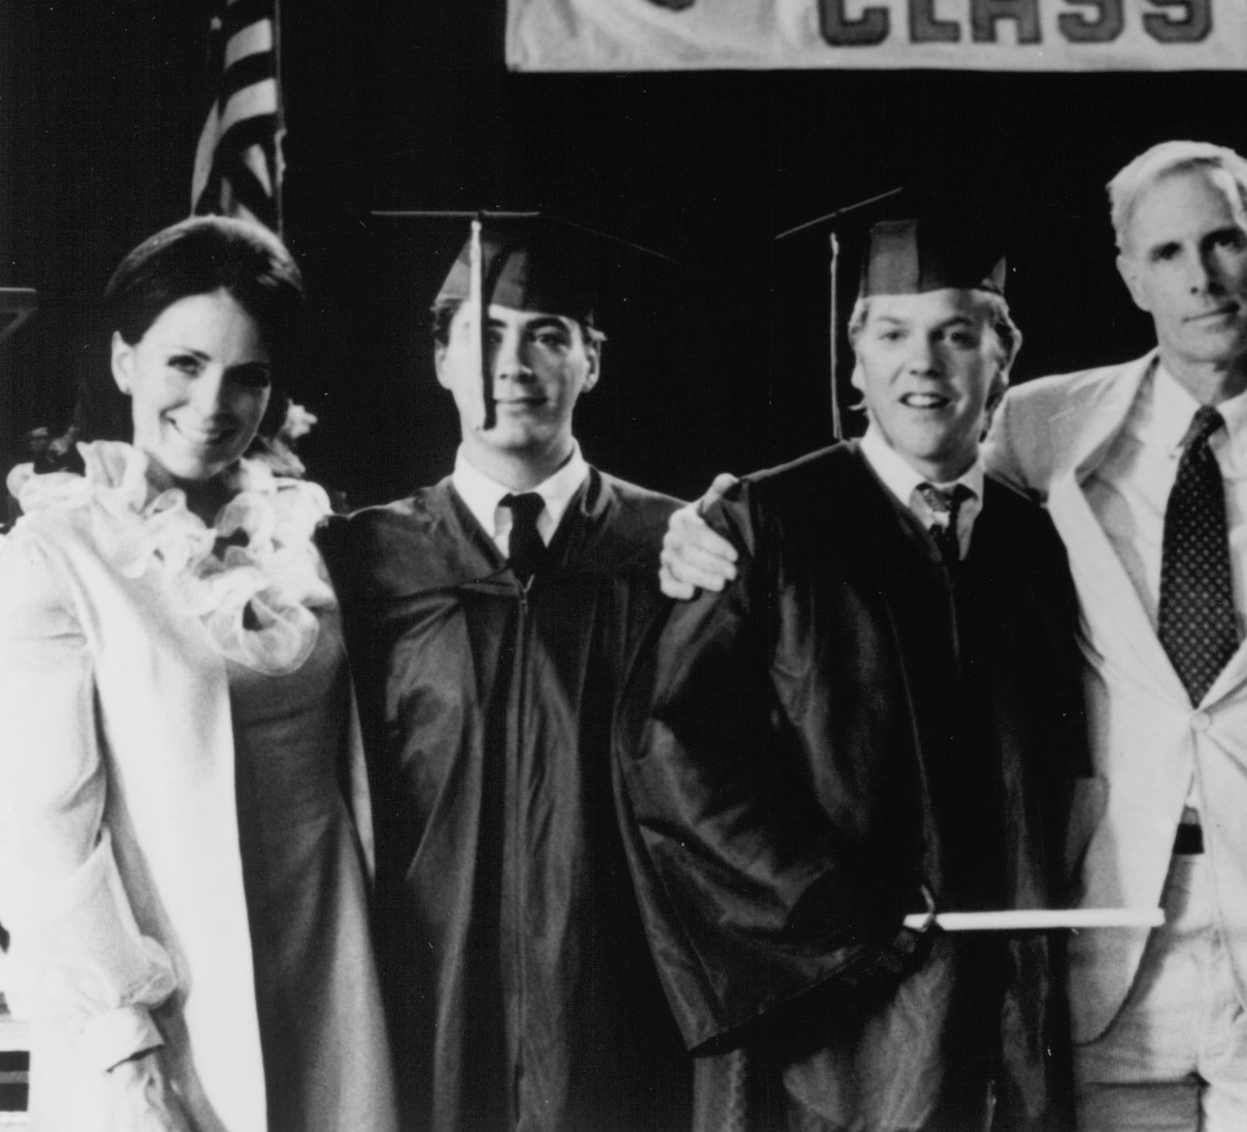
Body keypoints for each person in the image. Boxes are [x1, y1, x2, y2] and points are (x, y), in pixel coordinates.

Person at [665, 143, 1247, 1129]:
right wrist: (707, 525)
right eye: (1166, 251)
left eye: (1222, 240)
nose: (1201, 276)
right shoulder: (1045, 428)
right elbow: (905, 472)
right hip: (1101, 940)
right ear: (1129, 273)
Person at [618, 215, 1086, 1131]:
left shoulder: (1035, 544)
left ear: (1005, 356)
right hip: (828, 1012)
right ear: (854, 361)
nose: (925, 365)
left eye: (957, 334)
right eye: (893, 335)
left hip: (999, 1005)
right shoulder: (763, 523)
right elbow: (671, 760)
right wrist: (844, 918)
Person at [0, 215, 396, 1132]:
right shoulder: (57, 555)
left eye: (247, 375)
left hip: (331, 986)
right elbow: (44, 846)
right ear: (122, 360)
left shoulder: (304, 542)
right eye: (184, 363)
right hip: (167, 1024)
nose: (214, 403)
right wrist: (126, 1057)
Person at [318, 216, 689, 1132]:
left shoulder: (681, 550)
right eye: (482, 336)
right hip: (425, 993)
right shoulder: (358, 562)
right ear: (440, 359)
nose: (511, 365)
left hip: (625, 1007)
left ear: (591, 361)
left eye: (546, 335)